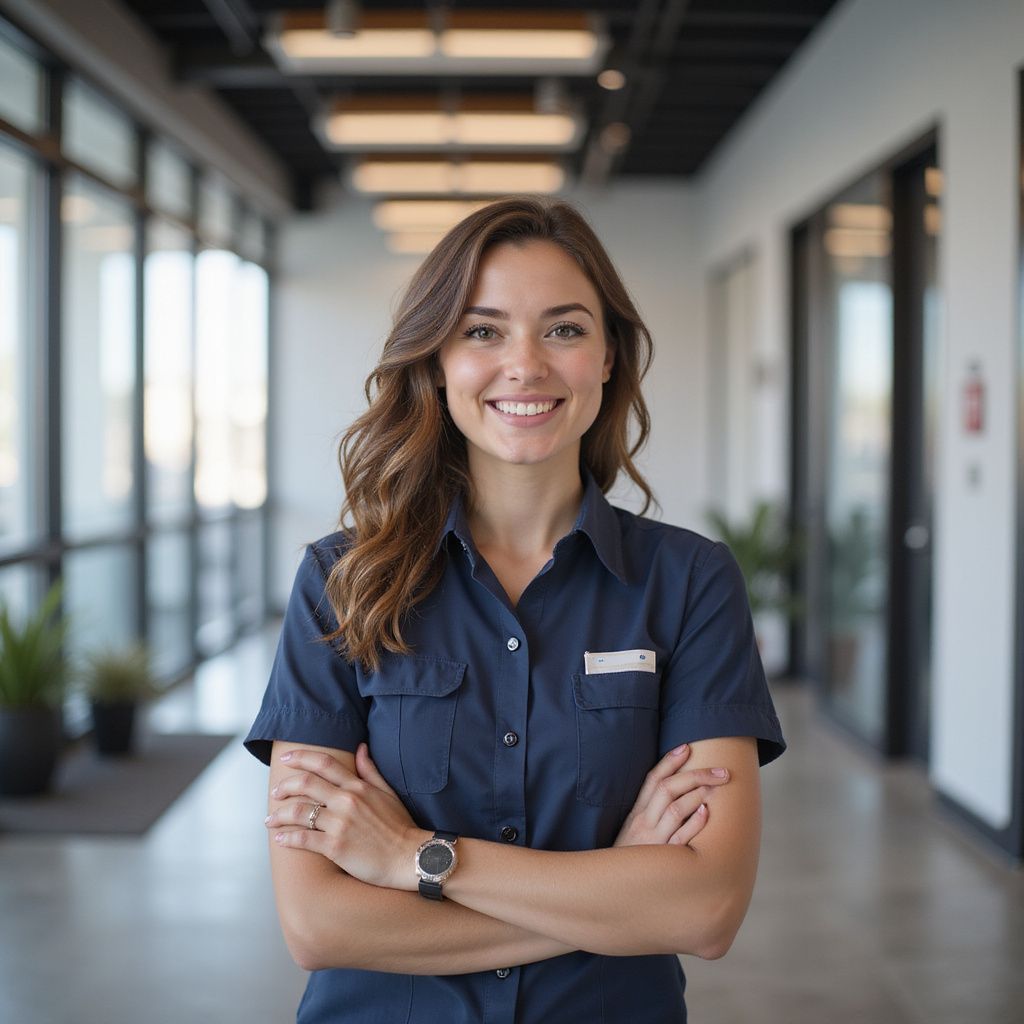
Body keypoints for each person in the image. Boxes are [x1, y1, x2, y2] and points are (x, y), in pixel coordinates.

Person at [244, 196, 785, 1023]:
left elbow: (704, 909)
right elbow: (318, 922)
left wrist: (412, 859)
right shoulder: (340, 580)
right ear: (435, 361)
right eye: (483, 330)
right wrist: (613, 894)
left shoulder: (690, 582)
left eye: (564, 329)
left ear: (608, 358)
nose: (525, 365)